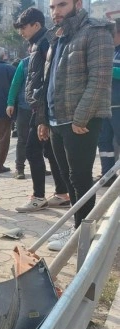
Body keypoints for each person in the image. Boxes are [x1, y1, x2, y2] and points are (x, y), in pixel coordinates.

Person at [36, 0, 114, 251]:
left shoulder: (96, 31)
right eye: (51, 7)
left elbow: (99, 79)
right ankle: (78, 228)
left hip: (79, 121)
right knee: (69, 179)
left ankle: (82, 235)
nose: (55, 11)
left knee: (80, 179)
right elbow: (49, 82)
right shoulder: (58, 35)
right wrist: (44, 119)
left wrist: (82, 117)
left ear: (78, 4)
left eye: (61, 5)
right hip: (57, 119)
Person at [14, 7, 71, 213]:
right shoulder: (38, 43)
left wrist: (41, 115)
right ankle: (62, 193)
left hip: (42, 106)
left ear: (36, 25)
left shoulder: (45, 43)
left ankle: (38, 197)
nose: (21, 32)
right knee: (49, 150)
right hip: (41, 105)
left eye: (24, 27)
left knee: (32, 149)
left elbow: (47, 80)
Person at [96, 19, 120, 186]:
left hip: (118, 106)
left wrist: (106, 69)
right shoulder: (108, 52)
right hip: (103, 106)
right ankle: (107, 174)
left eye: (112, 33)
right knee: (104, 142)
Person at [6, 56, 31, 179]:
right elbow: (15, 84)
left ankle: (39, 166)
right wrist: (10, 103)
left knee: (43, 140)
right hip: (24, 107)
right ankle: (19, 168)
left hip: (43, 108)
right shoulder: (24, 63)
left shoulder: (48, 58)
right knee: (23, 139)